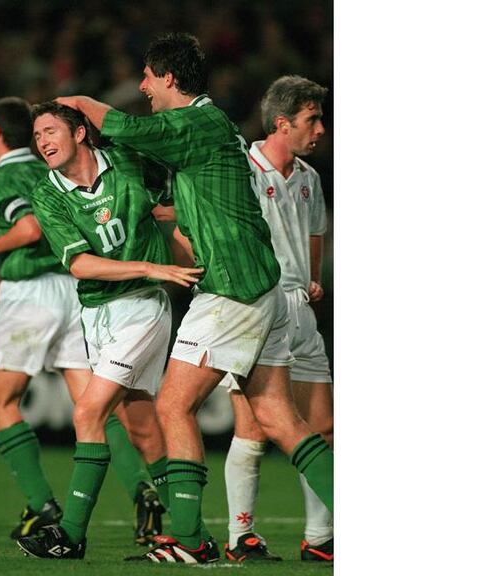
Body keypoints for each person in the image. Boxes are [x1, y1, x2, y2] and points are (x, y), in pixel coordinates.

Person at [57, 33, 334, 564]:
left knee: (173, 405)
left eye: (147, 76)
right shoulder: (211, 128)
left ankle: (188, 539)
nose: (142, 87)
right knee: (277, 416)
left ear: (167, 77)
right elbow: (174, 183)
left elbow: (116, 122)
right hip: (265, 288)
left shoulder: (195, 122)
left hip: (230, 288)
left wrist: (72, 105)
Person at [0, 96, 165, 545]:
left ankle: (42, 505)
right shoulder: (57, 170)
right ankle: (144, 490)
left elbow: (32, 227)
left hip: (31, 296)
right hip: (74, 292)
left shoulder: (6, 177)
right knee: (95, 407)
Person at [15, 102, 203, 560]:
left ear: (80, 132)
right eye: (37, 135)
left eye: (50, 130)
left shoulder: (127, 161)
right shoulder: (49, 193)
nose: (42, 141)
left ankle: (70, 535)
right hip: (97, 313)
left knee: (88, 413)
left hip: (142, 306)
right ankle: (190, 535)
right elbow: (79, 264)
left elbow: (179, 189)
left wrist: (179, 231)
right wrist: (151, 261)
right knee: (141, 428)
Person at [219, 75, 334, 563]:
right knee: (253, 428)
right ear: (282, 123)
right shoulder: (241, 170)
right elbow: (191, 225)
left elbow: (314, 232)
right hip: (256, 308)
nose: (322, 128)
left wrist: (311, 277)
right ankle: (240, 535)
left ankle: (321, 538)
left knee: (325, 426)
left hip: (300, 311)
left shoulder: (307, 177)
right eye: (313, 119)